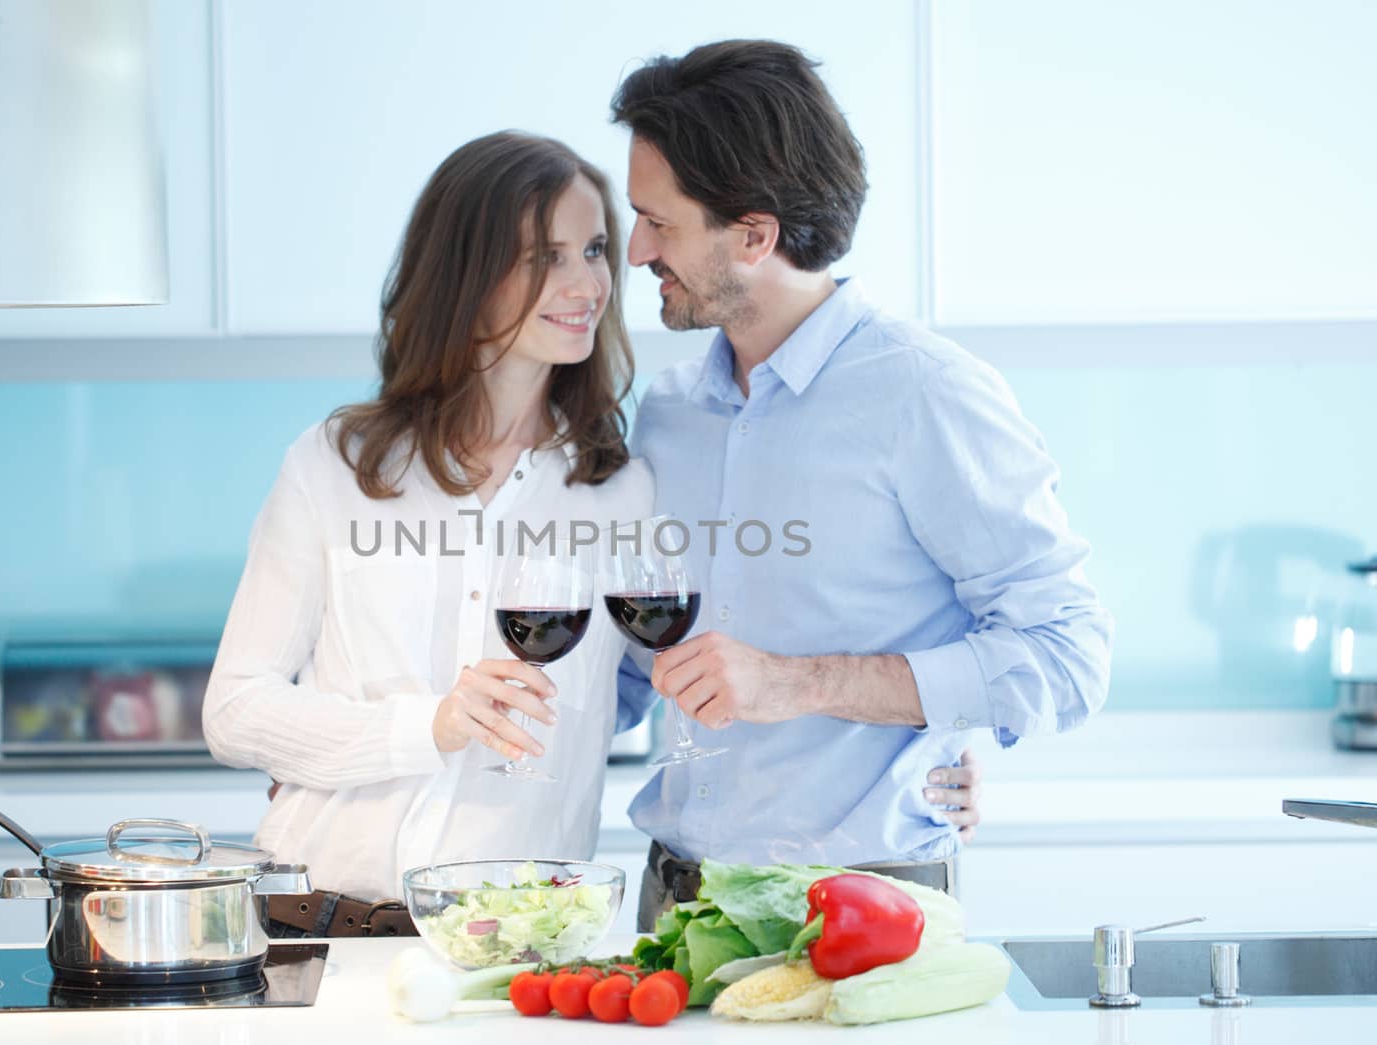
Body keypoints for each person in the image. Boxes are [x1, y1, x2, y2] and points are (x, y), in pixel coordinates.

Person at [608, 40, 1112, 930]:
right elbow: (635, 671)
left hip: (860, 904)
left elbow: (1068, 656)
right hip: (675, 898)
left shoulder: (926, 393)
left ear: (753, 235)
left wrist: (802, 684)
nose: (638, 248)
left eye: (661, 222)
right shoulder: (671, 411)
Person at [202, 131, 655, 935]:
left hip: (516, 948)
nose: (589, 282)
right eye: (546, 257)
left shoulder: (620, 490)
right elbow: (235, 709)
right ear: (467, 273)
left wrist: (937, 758)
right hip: (319, 927)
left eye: (593, 249)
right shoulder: (332, 466)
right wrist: (428, 727)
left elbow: (656, 685)